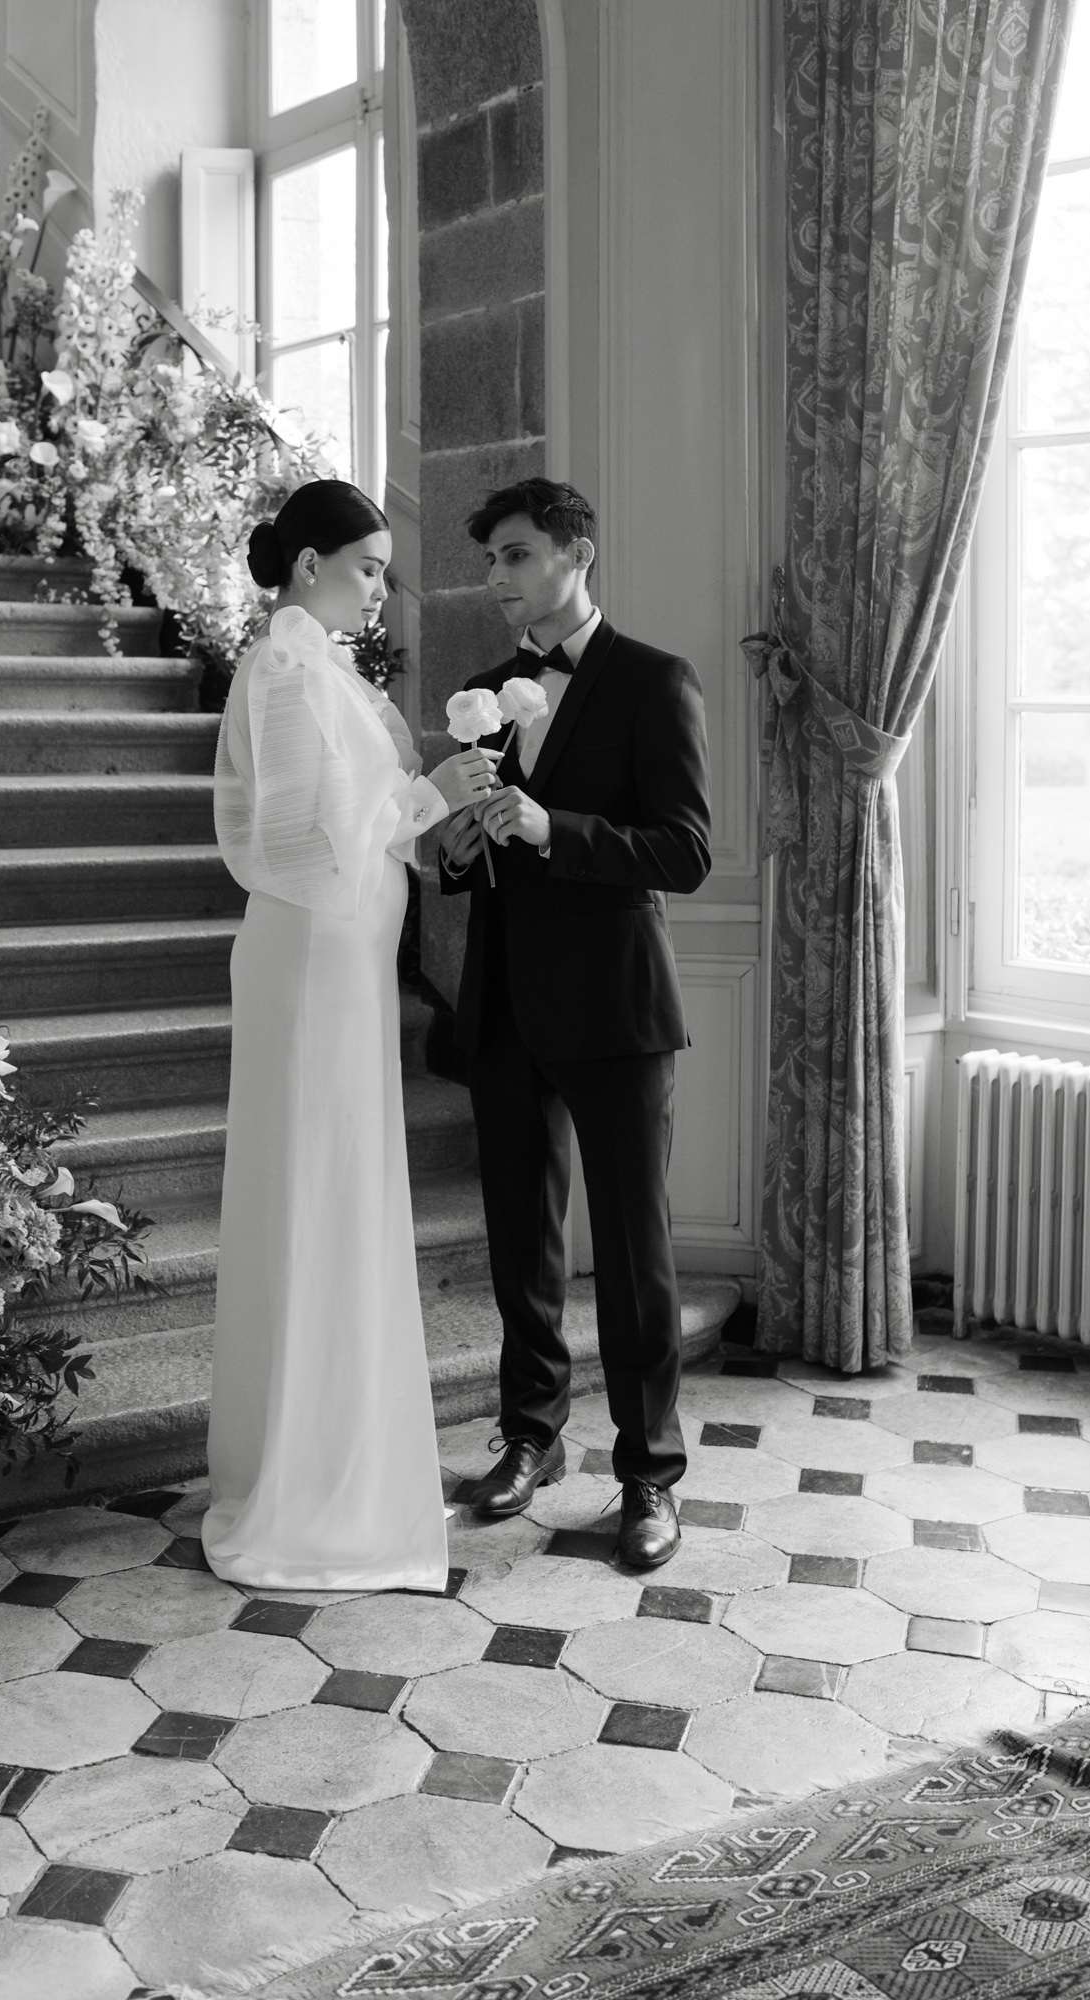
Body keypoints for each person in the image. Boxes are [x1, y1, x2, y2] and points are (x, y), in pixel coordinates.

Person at [204, 479, 499, 1591]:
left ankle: (333, 1448)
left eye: (381, 568)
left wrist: (431, 803)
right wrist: (425, 794)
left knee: (337, 1183)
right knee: (318, 1187)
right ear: (310, 561)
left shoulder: (317, 665)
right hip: (314, 964)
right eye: (367, 565)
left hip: (348, 967)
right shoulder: (284, 668)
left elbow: (360, 828)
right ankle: (307, 1472)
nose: (381, 587)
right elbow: (306, 841)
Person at [439, 477, 712, 1571]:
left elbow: (684, 849)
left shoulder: (654, 682)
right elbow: (472, 852)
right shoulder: (481, 690)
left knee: (637, 1254)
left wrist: (558, 827)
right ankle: (530, 1438)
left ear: (575, 553)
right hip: (506, 1003)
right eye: (492, 561)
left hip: (615, 1005)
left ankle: (648, 1474)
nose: (495, 579)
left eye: (512, 556)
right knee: (522, 1243)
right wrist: (460, 846)